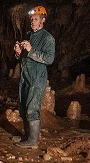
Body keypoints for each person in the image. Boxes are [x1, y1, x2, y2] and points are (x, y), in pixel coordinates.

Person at [13, 5, 55, 148]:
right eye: (31, 19)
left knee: (32, 109)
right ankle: (27, 136)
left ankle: (33, 141)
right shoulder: (29, 35)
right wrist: (19, 53)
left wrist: (31, 50)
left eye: (35, 19)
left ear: (42, 20)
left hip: (37, 79)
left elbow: (49, 59)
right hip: (25, 77)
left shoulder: (47, 38)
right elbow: (24, 59)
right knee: (24, 108)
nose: (32, 21)